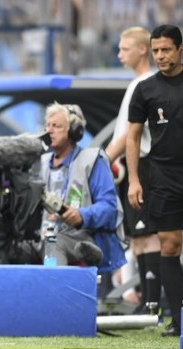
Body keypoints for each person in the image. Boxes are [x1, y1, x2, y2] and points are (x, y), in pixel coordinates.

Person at [127, 24, 183, 337]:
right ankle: (178, 320)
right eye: (156, 50)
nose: (160, 56)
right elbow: (133, 138)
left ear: (180, 50)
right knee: (170, 245)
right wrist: (134, 179)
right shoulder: (145, 89)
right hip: (162, 176)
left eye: (166, 50)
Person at [104, 26, 161, 315]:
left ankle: (152, 302)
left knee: (148, 234)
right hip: (137, 165)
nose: (119, 54)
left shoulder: (146, 83)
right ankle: (144, 299)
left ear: (142, 50)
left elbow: (128, 135)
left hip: (148, 166)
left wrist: (99, 161)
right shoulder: (136, 84)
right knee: (137, 238)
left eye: (124, 49)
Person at [40, 102, 125, 271]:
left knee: (54, 243)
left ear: (74, 130)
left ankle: (58, 296)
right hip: (42, 235)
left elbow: (109, 207)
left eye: (56, 126)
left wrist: (82, 215)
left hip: (81, 237)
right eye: (47, 126)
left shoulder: (91, 160)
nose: (49, 130)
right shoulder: (39, 163)